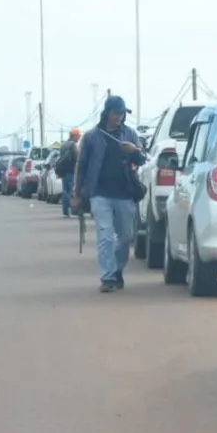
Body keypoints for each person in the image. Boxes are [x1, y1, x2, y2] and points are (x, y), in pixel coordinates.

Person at [73, 95, 145, 292]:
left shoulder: (130, 134)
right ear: (107, 113)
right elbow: (82, 166)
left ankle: (117, 270)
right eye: (116, 113)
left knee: (125, 236)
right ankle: (108, 277)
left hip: (125, 194)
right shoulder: (91, 137)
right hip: (99, 193)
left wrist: (134, 151)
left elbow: (142, 159)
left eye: (122, 113)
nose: (119, 117)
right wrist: (77, 194)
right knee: (105, 236)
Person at [56, 128, 82, 217]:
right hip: (71, 170)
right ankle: (71, 211)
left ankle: (65, 211)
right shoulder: (73, 145)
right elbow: (78, 158)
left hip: (64, 171)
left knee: (65, 191)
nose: (79, 138)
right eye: (78, 136)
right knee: (71, 191)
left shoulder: (63, 145)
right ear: (73, 136)